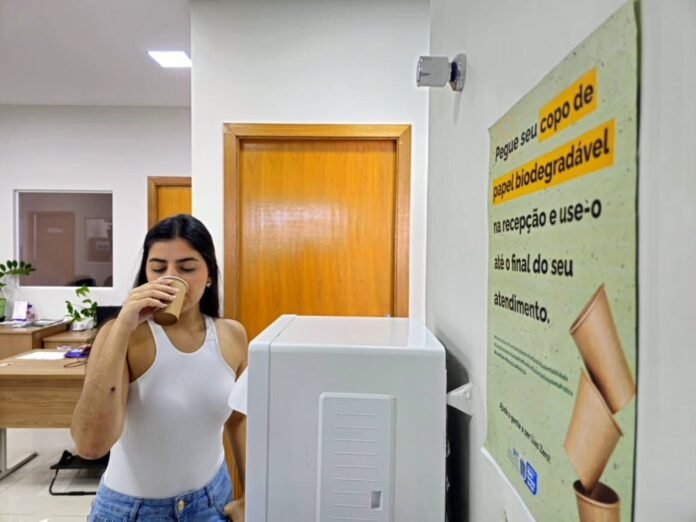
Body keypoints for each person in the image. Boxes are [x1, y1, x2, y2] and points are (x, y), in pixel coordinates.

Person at [71, 214, 247, 521]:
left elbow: (238, 418)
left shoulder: (232, 335)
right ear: (145, 273)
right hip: (133, 510)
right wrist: (122, 325)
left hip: (212, 499)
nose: (170, 277)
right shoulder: (121, 335)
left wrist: (250, 494)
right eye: (158, 267)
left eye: (187, 267)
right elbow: (91, 445)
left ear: (209, 275)